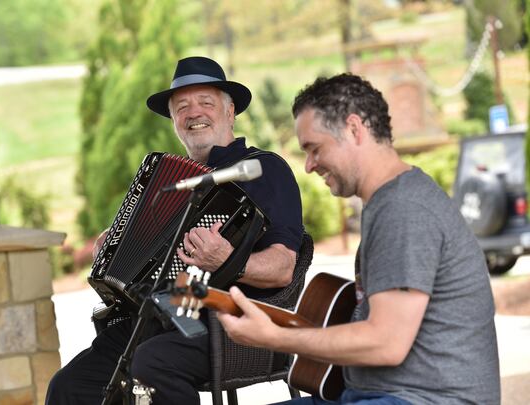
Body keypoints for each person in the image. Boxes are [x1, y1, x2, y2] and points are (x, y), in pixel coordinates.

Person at [217, 73, 501, 405]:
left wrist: (275, 338)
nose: (309, 166)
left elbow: (386, 342)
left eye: (314, 149)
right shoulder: (389, 201)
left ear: (354, 129)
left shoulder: (403, 208)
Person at [46, 56, 303, 404]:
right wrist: (113, 245)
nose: (194, 113)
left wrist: (230, 262)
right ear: (174, 122)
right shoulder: (172, 182)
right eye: (182, 107)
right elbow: (143, 254)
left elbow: (284, 267)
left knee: (151, 365)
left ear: (231, 112)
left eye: (206, 103)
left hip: (228, 323)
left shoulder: (262, 170)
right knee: (69, 385)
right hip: (160, 318)